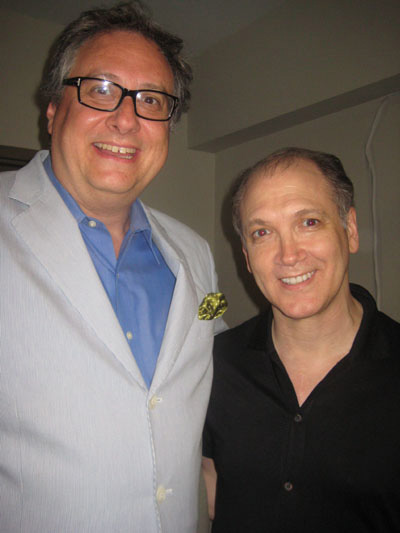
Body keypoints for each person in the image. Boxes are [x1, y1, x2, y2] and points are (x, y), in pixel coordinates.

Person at [0, 2, 226, 532]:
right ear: (53, 110)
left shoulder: (195, 253)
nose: (126, 118)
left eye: (151, 100)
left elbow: (210, 346)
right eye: (100, 88)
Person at [202, 147, 400, 532]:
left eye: (309, 222)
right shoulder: (213, 365)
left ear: (351, 230)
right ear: (246, 256)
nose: (288, 255)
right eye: (263, 233)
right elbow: (207, 485)